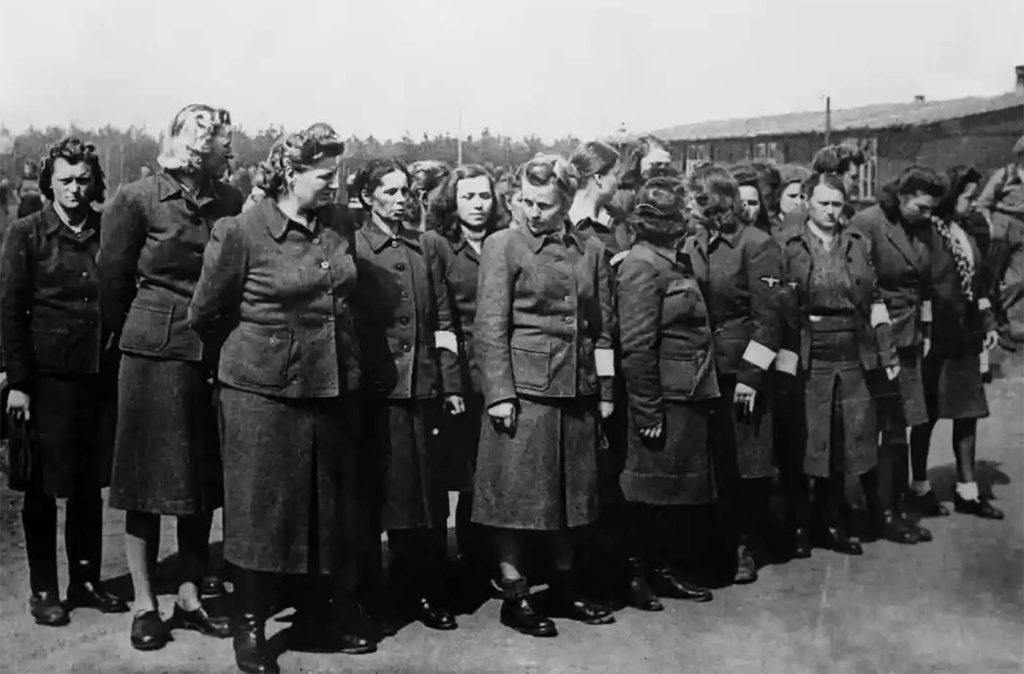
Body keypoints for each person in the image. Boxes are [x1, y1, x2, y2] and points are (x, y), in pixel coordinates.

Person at [190, 124, 375, 674]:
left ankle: (318, 616)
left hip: (330, 386)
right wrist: (264, 353)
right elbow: (206, 313)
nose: (335, 185)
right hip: (261, 396)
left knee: (322, 508)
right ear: (291, 174)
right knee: (259, 513)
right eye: (325, 175)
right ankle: (250, 627)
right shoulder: (241, 231)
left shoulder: (337, 225)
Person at [99, 104, 243, 651]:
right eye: (224, 142)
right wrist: (136, 341)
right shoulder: (136, 199)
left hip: (212, 356)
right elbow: (112, 284)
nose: (231, 151)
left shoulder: (229, 200)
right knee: (145, 483)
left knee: (199, 481)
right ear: (196, 143)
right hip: (152, 357)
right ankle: (144, 603)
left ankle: (189, 594)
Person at [474, 154, 616, 637]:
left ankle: (564, 587)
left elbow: (600, 327)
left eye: (546, 206)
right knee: (515, 498)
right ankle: (516, 595)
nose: (534, 213)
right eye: (527, 202)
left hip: (576, 388)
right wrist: (499, 393)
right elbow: (490, 326)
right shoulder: (503, 245)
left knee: (570, 497)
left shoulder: (589, 249)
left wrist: (605, 389)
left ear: (567, 203)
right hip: (525, 392)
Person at [0, 138, 128, 627]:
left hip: (97, 378)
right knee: (40, 487)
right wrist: (20, 383)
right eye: (65, 180)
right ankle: (43, 588)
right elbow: (11, 313)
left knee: (86, 486)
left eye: (83, 180)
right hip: (45, 380)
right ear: (48, 183)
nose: (75, 189)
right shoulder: (26, 234)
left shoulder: (108, 232)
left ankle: (86, 580)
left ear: (95, 182)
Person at [351, 159, 456, 631]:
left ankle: (420, 590)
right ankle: (371, 593)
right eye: (388, 191)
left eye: (404, 191)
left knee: (422, 498)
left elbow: (445, 324)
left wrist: (449, 382)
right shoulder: (354, 246)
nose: (400, 199)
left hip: (422, 390)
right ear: (368, 195)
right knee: (376, 497)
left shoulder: (426, 247)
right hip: (373, 393)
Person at [779, 171, 897, 555]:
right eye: (823, 203)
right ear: (807, 203)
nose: (831, 211)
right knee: (806, 439)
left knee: (844, 437)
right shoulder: (788, 244)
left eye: (837, 204)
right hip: (806, 351)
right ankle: (798, 526)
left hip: (851, 349)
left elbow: (875, 298)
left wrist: (885, 348)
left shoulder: (857, 243)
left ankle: (830, 523)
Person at [616, 177, 718, 610]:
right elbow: (637, 347)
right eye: (682, 217)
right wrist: (648, 412)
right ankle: (635, 576)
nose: (690, 224)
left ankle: (660, 571)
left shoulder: (673, 262)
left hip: (687, 394)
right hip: (664, 398)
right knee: (646, 495)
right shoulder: (641, 265)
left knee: (670, 493)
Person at [684, 165, 783, 584]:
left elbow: (770, 318)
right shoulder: (693, 241)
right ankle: (713, 544)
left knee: (748, 462)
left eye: (694, 198)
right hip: (702, 370)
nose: (688, 205)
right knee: (712, 462)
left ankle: (746, 546)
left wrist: (751, 375)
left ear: (714, 202)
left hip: (740, 372)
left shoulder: (757, 244)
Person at [850, 166, 947, 543]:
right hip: (874, 336)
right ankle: (874, 511)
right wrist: (884, 337)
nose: (928, 214)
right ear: (903, 196)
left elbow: (925, 285)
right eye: (922, 206)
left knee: (898, 425)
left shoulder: (921, 226)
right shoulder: (868, 223)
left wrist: (924, 331)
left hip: (907, 338)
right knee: (872, 425)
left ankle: (892, 509)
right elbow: (862, 284)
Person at [423, 163, 505, 581]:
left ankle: (484, 559)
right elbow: (440, 321)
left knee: (491, 472)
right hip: (459, 374)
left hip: (501, 373)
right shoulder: (436, 245)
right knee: (456, 470)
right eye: (469, 196)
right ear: (452, 201)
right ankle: (444, 567)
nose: (478, 205)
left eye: (485, 196)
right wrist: (451, 381)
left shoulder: (504, 242)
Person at [907, 166, 1003, 520]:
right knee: (926, 415)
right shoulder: (927, 233)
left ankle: (967, 490)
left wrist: (988, 320)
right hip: (935, 338)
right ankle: (919, 487)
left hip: (965, 337)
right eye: (967, 195)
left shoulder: (969, 232)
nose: (973, 201)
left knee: (968, 413)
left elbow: (979, 286)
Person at [977, 135, 1024, 344]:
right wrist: (989, 226)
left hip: (1023, 228)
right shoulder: (1005, 175)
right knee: (992, 278)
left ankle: (1005, 323)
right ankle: (991, 322)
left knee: (1018, 280)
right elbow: (983, 203)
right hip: (1001, 228)